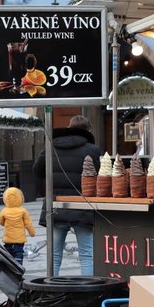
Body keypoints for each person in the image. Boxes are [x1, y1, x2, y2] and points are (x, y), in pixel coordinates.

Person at [32, 114, 101, 275]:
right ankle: (87, 293)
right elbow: (101, 175)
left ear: (69, 128)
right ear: (88, 130)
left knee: (54, 256)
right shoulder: (92, 150)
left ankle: (52, 291)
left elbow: (37, 171)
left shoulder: (50, 147)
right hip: (83, 207)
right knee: (87, 255)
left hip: (56, 206)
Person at [0, 186, 35, 265]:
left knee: (7, 254)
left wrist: (6, 224)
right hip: (19, 239)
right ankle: (18, 268)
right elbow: (28, 223)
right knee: (18, 253)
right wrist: (32, 233)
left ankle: (8, 267)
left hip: (8, 238)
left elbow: (1, 222)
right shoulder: (23, 211)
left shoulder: (4, 211)